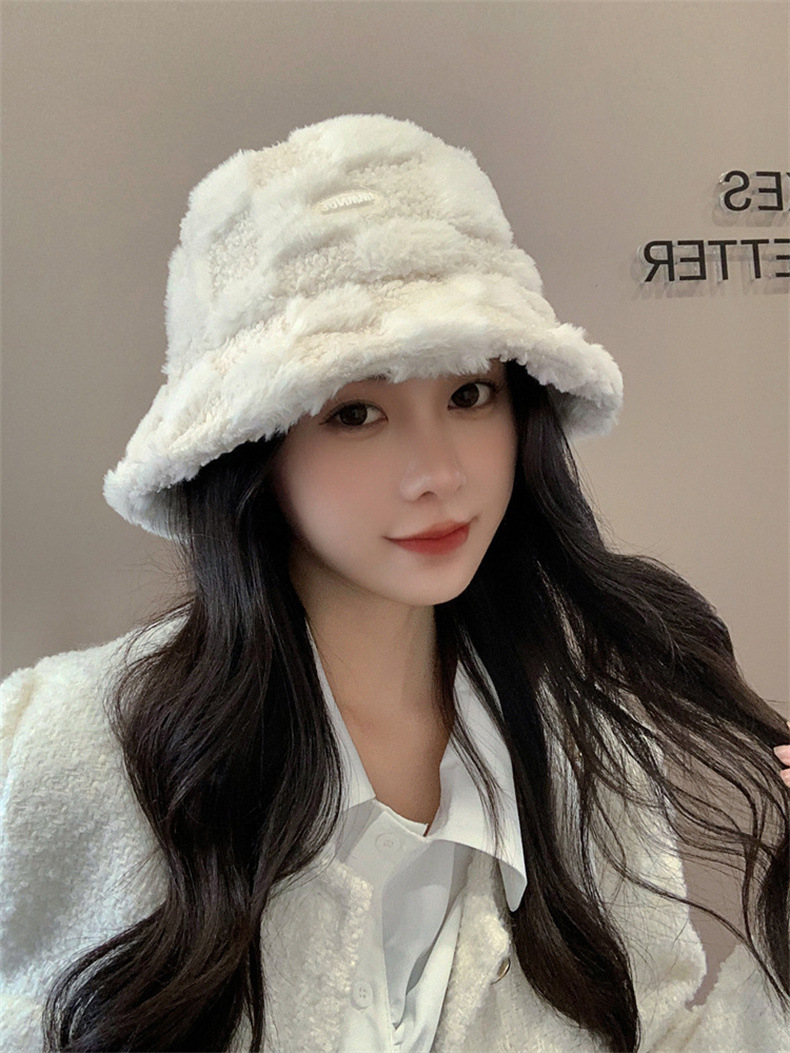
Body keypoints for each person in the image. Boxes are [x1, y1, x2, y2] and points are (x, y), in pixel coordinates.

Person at [1, 113, 788, 1053]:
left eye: (469, 394)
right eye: (357, 413)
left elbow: (652, 1037)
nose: (438, 472)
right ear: (252, 449)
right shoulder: (73, 744)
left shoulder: (583, 746)